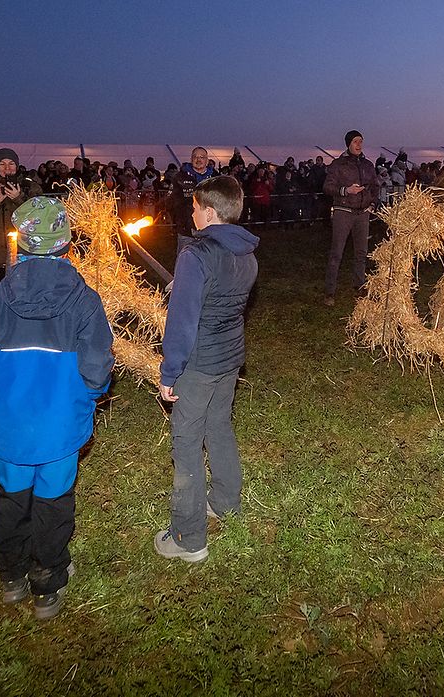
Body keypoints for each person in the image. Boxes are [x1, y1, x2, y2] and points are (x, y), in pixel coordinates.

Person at [0, 196, 114, 621]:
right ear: (66, 240)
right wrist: (88, 396)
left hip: (11, 423)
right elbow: (97, 364)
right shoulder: (85, 301)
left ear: (23, 241)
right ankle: (46, 585)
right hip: (60, 424)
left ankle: (11, 577)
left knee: (12, 496)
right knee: (53, 501)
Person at [155, 176, 259, 563]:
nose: (192, 213)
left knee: (185, 444)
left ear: (210, 212)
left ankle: (188, 536)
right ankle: (227, 502)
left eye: (196, 207)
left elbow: (183, 321)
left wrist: (169, 372)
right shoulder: (247, 253)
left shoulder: (195, 256)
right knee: (219, 427)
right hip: (230, 358)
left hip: (198, 365)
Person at [321, 130, 378, 306]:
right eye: (355, 141)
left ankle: (359, 286)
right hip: (343, 212)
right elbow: (327, 187)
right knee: (336, 253)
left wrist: (372, 204)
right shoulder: (338, 164)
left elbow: (375, 187)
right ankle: (329, 292)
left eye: (361, 141)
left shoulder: (368, 165)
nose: (359, 144)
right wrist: (346, 190)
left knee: (361, 253)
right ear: (348, 144)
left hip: (362, 213)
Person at [0, 148, 42, 269]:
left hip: (25, 254)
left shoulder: (30, 186)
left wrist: (18, 198)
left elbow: (40, 217)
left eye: (11, 163)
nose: (7, 168)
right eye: (2, 164)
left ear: (17, 165)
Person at [168, 147, 217, 251]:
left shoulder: (215, 179)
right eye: (195, 157)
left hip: (210, 231)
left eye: (202, 157)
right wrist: (180, 219)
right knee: (185, 261)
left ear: (207, 160)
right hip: (187, 230)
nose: (198, 160)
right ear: (191, 159)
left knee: (209, 262)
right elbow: (171, 201)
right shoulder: (180, 177)